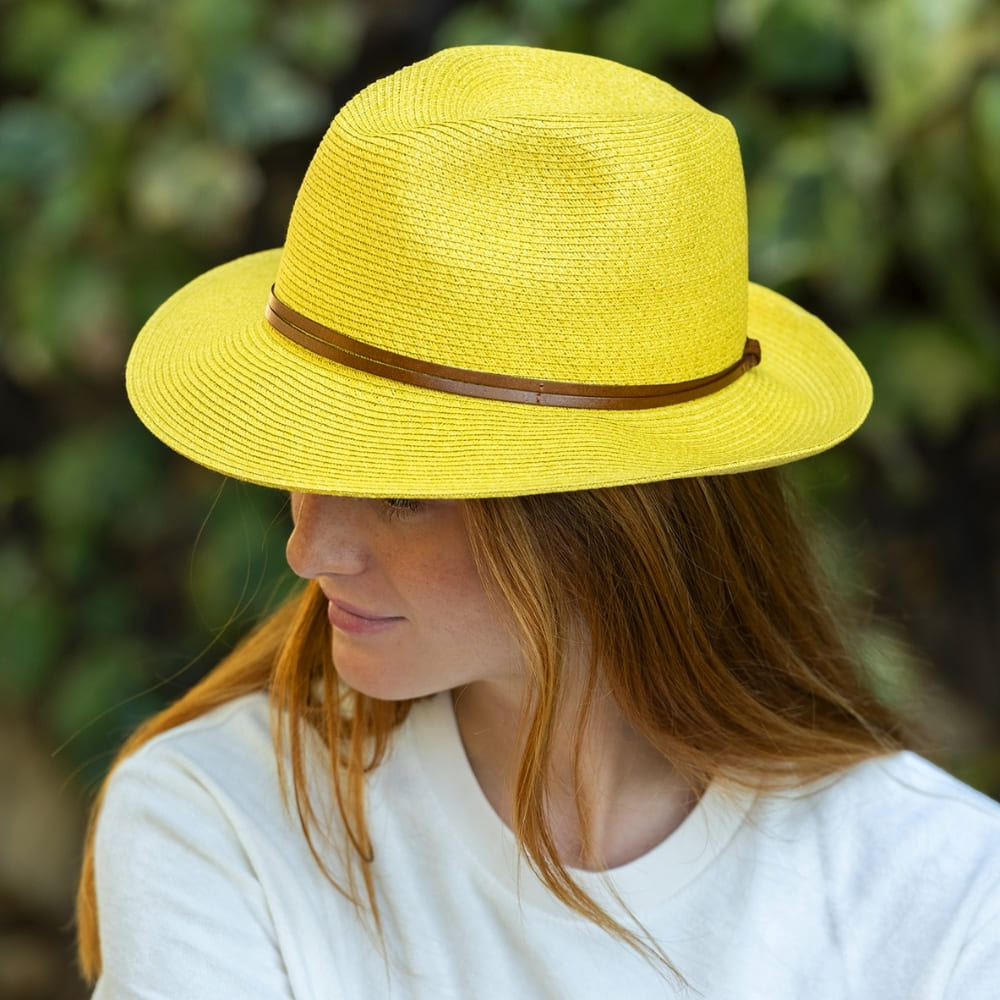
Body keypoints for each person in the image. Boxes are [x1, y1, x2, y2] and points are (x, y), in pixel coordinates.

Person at [76, 45, 999, 998]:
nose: (307, 549)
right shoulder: (226, 820)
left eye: (402, 491)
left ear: (611, 522)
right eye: (309, 464)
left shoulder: (940, 897)